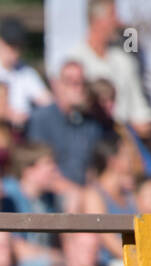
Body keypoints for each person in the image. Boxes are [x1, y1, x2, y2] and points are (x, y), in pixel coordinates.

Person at [67, 0, 151, 136]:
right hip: (93, 132)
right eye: (112, 16)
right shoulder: (75, 61)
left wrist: (143, 122)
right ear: (97, 20)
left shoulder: (123, 59)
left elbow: (138, 106)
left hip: (128, 133)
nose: (118, 22)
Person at [25, 60, 108, 194]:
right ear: (56, 84)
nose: (78, 88)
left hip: (85, 194)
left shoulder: (91, 124)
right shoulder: (41, 119)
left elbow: (92, 169)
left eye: (81, 82)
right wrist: (75, 192)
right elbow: (40, 169)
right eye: (71, 82)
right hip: (51, 193)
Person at [0, 18, 49, 129]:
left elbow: (46, 100)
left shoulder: (25, 71)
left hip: (25, 128)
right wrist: (9, 114)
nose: (14, 51)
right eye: (10, 45)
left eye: (18, 46)